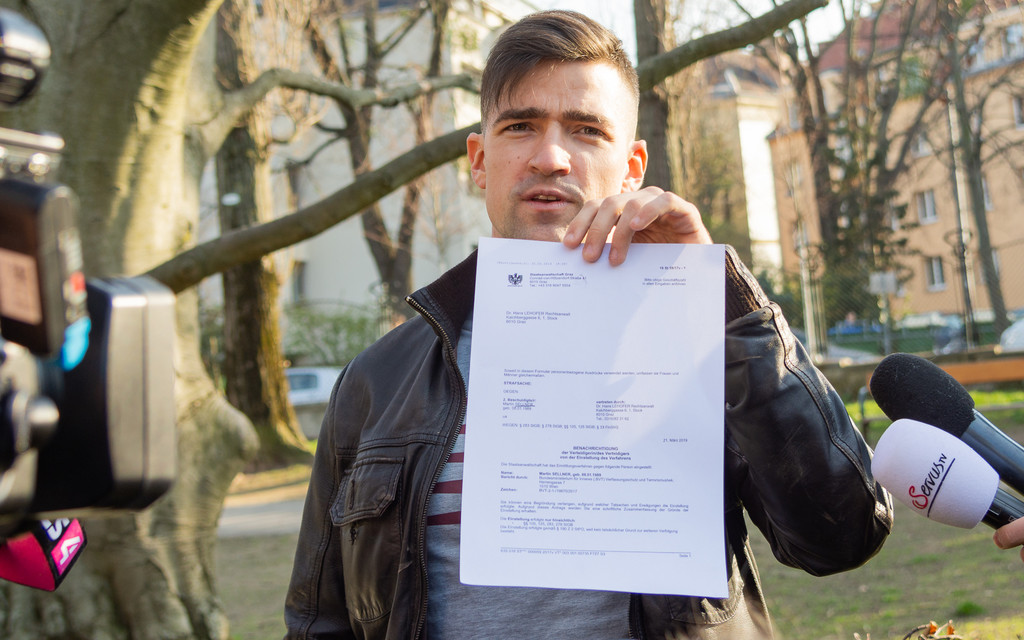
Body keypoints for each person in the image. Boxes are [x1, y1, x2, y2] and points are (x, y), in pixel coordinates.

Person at [284, 10, 892, 639]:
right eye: (520, 126)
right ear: (479, 161)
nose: (551, 158)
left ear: (632, 166)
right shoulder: (377, 383)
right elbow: (317, 624)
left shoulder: (701, 339)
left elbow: (840, 536)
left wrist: (722, 299)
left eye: (586, 130)